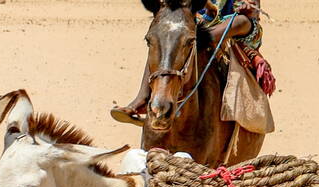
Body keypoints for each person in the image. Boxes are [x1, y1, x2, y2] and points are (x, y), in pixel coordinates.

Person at [113, 0, 273, 125]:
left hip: (231, 26)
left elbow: (253, 12)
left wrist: (246, 6)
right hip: (193, 23)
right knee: (163, 37)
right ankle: (142, 97)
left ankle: (201, 39)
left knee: (240, 21)